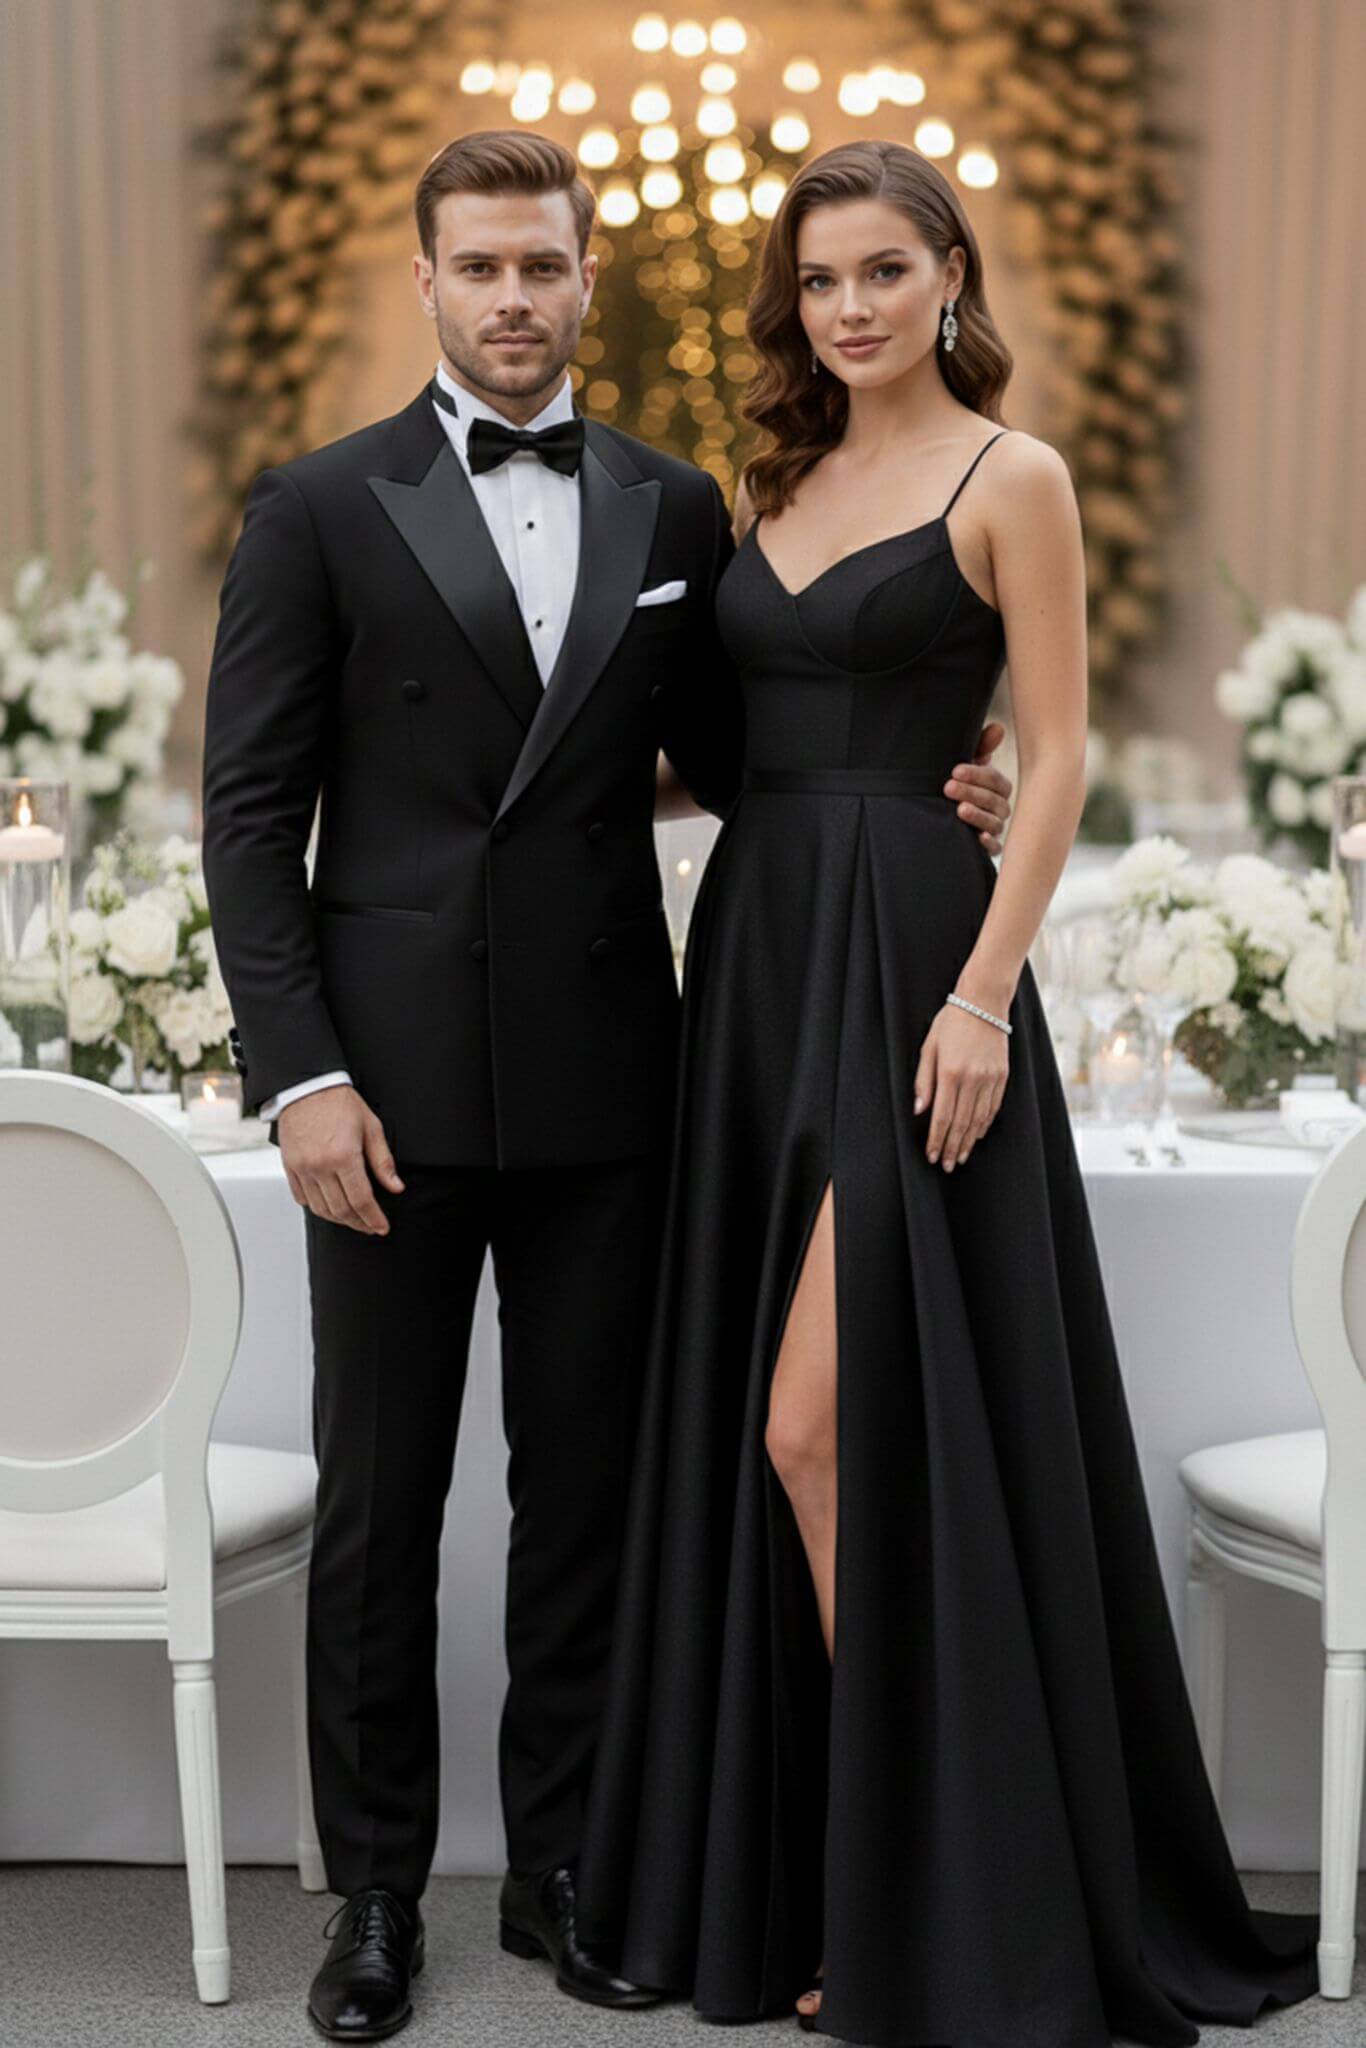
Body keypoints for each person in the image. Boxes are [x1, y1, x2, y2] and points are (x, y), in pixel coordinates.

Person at [200, 130, 1015, 2042]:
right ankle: (376, 1894)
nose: (513, 298)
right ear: (425, 279)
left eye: (542, 267)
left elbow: (748, 757)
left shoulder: (670, 505)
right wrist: (301, 1074)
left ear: (588, 281)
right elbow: (245, 819)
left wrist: (940, 780)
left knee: (585, 1499)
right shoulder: (317, 505)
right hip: (384, 1099)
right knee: (382, 1506)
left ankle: (558, 1866)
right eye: (479, 266)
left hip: (613, 1080)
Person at [571, 140, 1321, 2047]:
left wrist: (983, 992)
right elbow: (720, 752)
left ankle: (936, 1894)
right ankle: (824, 1881)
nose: (849, 307)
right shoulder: (768, 486)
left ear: (948, 279)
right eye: (820, 279)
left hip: (918, 959)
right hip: (758, 954)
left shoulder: (1015, 478)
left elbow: (1054, 757)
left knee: (817, 1428)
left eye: (883, 271)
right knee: (791, 1428)